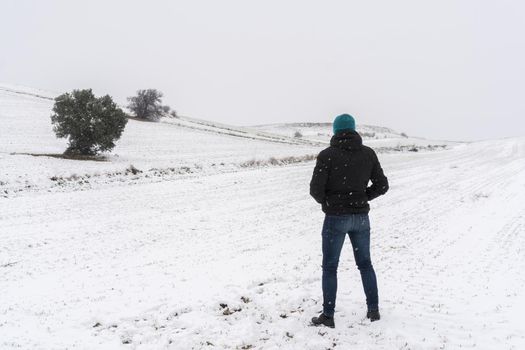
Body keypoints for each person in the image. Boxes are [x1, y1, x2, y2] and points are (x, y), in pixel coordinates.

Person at [310, 114, 389, 328]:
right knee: (365, 264)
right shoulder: (368, 154)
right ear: (353, 130)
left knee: (329, 267)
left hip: (336, 218)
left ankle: (328, 316)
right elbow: (382, 185)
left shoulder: (327, 155)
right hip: (361, 218)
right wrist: (363, 197)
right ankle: (373, 310)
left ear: (335, 131)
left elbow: (315, 190)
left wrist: (329, 203)